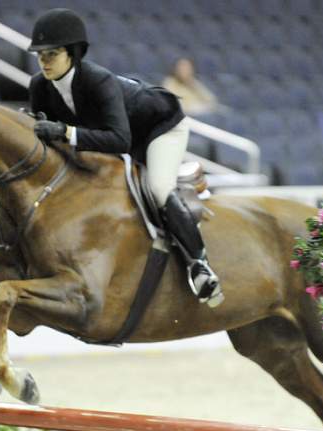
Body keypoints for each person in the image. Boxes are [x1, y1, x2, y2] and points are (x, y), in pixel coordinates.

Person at [27, 8, 222, 305]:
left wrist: (66, 131)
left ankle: (200, 265)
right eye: (40, 55)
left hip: (159, 128)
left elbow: (119, 140)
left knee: (158, 189)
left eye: (51, 54)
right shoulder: (39, 86)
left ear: (73, 54)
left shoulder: (98, 81)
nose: (44, 62)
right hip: (115, 134)